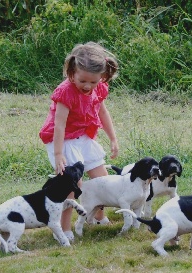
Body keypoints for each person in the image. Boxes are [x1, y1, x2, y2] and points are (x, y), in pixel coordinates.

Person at [39, 42, 120, 241]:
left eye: (93, 82)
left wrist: (113, 138)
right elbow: (59, 125)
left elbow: (102, 112)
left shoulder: (98, 88)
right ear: (71, 72)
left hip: (83, 136)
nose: (88, 86)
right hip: (62, 140)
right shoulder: (65, 92)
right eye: (83, 80)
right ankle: (63, 228)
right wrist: (58, 154)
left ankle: (97, 217)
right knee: (71, 185)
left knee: (102, 178)